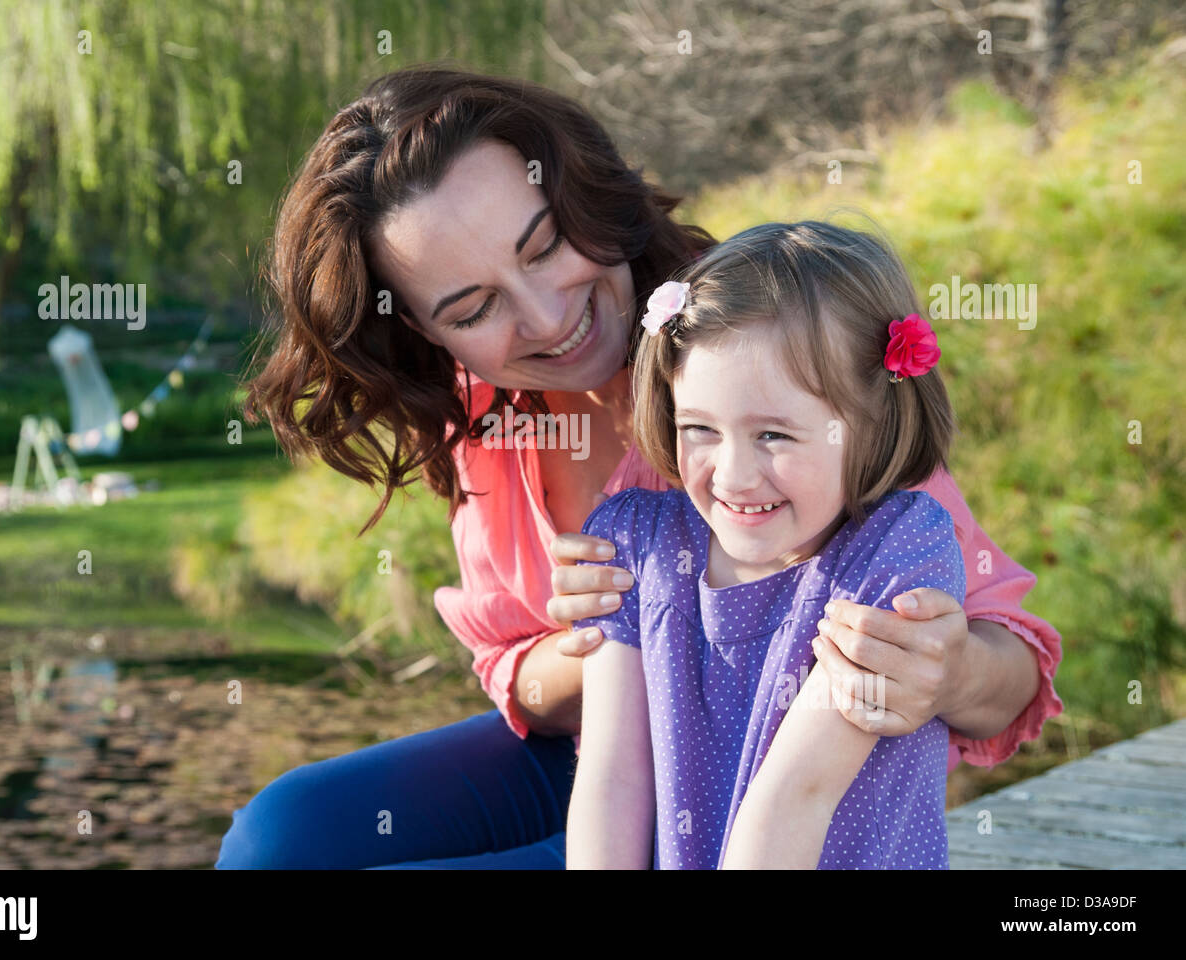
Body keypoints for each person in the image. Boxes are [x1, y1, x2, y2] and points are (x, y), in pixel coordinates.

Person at [216, 65, 1062, 869]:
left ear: (585, 193)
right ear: (424, 334)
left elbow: (1007, 664)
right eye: (473, 308)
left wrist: (940, 667)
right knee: (284, 838)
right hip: (604, 760)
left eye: (544, 248)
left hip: (752, 784)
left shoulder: (768, 345)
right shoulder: (487, 412)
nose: (547, 319)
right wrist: (606, 633)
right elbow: (520, 676)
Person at [567, 221, 970, 870]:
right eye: (700, 428)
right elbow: (613, 780)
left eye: (775, 436)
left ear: (871, 422)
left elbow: (794, 797)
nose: (733, 475)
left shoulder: (895, 556)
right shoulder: (635, 543)